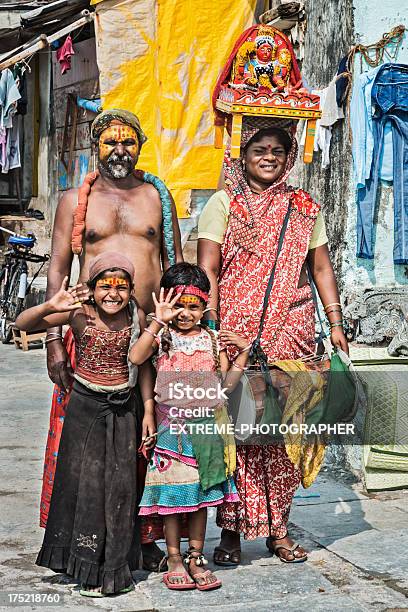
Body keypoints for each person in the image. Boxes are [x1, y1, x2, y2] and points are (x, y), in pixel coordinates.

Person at [197, 124, 349, 565]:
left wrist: (334, 321)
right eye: (259, 150)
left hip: (293, 333)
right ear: (243, 156)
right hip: (237, 335)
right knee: (239, 431)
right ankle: (230, 532)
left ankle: (278, 529)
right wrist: (212, 326)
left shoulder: (304, 209)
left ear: (288, 158)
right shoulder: (224, 203)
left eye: (277, 151)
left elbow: (320, 267)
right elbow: (209, 268)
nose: (268, 157)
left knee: (284, 436)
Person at [42, 109, 183, 569]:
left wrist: (187, 333)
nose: (119, 150)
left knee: (150, 438)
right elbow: (58, 271)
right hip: (94, 339)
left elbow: (178, 269)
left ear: (140, 146)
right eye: (109, 142)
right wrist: (54, 340)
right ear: (94, 145)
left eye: (129, 142)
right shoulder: (74, 201)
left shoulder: (157, 197)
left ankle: (145, 537)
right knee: (90, 445)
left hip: (152, 337)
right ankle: (89, 538)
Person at [15, 253, 156, 596]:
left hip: (124, 411)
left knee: (120, 488)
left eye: (121, 286)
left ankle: (113, 570)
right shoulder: (78, 314)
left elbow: (146, 367)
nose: (113, 293)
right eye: (104, 286)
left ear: (131, 290)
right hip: (83, 408)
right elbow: (21, 323)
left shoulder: (137, 316)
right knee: (82, 486)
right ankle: (80, 564)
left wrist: (149, 410)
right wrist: (50, 306)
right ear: (91, 290)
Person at [129, 263, 249, 591]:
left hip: (207, 432)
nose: (184, 313)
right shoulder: (162, 337)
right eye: (178, 304)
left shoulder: (212, 340)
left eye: (193, 306)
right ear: (166, 301)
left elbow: (225, 385)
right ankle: (174, 558)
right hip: (171, 431)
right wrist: (157, 320)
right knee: (172, 498)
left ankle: (196, 556)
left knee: (200, 498)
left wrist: (244, 352)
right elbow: (138, 359)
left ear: (205, 306)